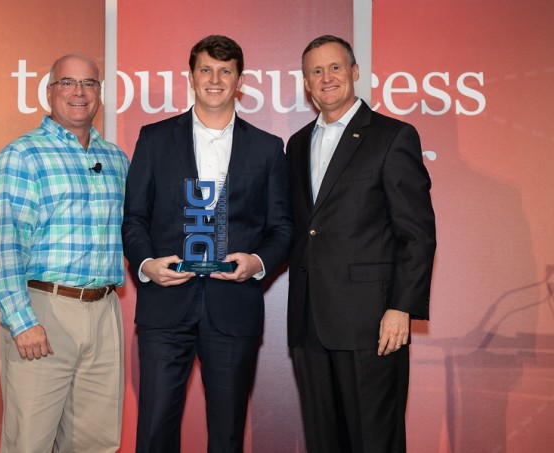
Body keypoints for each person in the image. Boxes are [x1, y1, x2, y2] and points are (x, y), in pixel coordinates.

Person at [122, 35, 294, 453]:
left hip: (233, 309)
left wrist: (257, 261)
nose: (214, 79)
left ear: (239, 80)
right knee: (155, 431)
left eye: (225, 71)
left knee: (228, 434)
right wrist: (146, 265)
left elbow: (283, 228)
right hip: (165, 309)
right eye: (206, 69)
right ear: (192, 76)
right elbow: (134, 219)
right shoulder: (155, 138)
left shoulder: (269, 148)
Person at [286, 35, 436, 453]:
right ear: (306, 83)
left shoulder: (392, 136)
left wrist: (401, 307)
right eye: (316, 71)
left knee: (375, 442)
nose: (326, 78)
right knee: (323, 442)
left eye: (335, 68)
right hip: (309, 323)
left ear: (354, 73)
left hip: (371, 324)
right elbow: (300, 229)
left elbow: (417, 233)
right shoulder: (296, 145)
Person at [0, 54, 129, 453]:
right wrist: (21, 321)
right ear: (50, 92)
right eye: (68, 82)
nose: (79, 93)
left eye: (90, 84)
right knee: (29, 443)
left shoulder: (117, 159)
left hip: (104, 313)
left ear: (99, 92)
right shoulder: (22, 155)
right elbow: (5, 246)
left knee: (97, 444)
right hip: (43, 312)